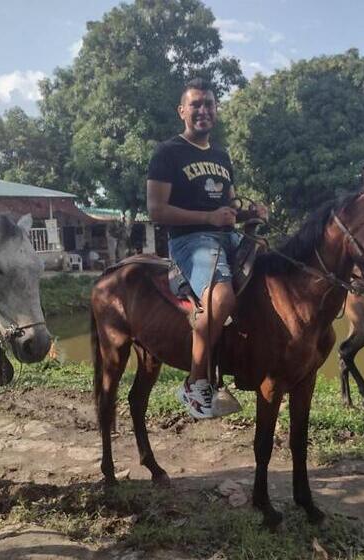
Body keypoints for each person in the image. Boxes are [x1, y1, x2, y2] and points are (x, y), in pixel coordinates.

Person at [147, 78, 266, 419]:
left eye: (209, 104)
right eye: (195, 104)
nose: (203, 110)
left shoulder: (221, 155)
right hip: (190, 240)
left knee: (273, 271)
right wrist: (208, 218)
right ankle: (195, 381)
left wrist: (250, 212)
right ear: (182, 111)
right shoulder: (168, 152)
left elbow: (229, 204)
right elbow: (156, 210)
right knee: (222, 298)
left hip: (225, 234)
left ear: (216, 110)